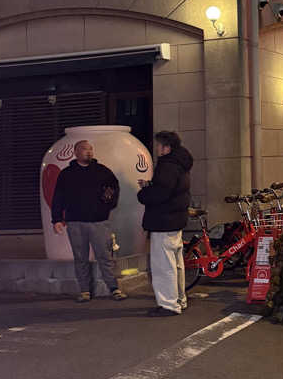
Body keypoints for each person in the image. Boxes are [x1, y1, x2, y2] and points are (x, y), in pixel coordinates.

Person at [51, 139, 126, 302]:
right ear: (75, 152)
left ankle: (114, 288)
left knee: (104, 256)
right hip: (75, 222)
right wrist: (56, 219)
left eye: (91, 149)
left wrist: (106, 206)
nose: (89, 152)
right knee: (80, 257)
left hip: (98, 221)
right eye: (85, 149)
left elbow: (113, 190)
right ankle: (84, 290)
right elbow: (58, 197)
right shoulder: (66, 174)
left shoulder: (103, 171)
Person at [137, 130, 193, 317]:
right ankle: (179, 299)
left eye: (158, 145)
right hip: (175, 220)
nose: (157, 149)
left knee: (163, 266)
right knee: (176, 264)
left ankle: (169, 305)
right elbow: (170, 188)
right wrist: (151, 185)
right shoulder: (180, 163)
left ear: (166, 147)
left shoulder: (167, 165)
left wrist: (143, 193)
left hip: (163, 220)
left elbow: (161, 193)